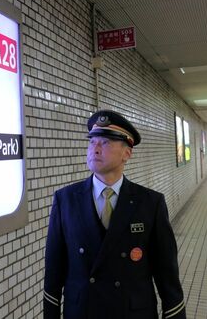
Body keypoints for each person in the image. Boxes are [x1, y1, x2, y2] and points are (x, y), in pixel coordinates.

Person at [43, 109, 186, 319]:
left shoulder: (150, 203)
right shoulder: (66, 200)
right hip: (82, 312)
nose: (95, 149)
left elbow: (167, 277)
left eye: (105, 142)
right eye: (92, 142)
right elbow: (53, 273)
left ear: (126, 153)